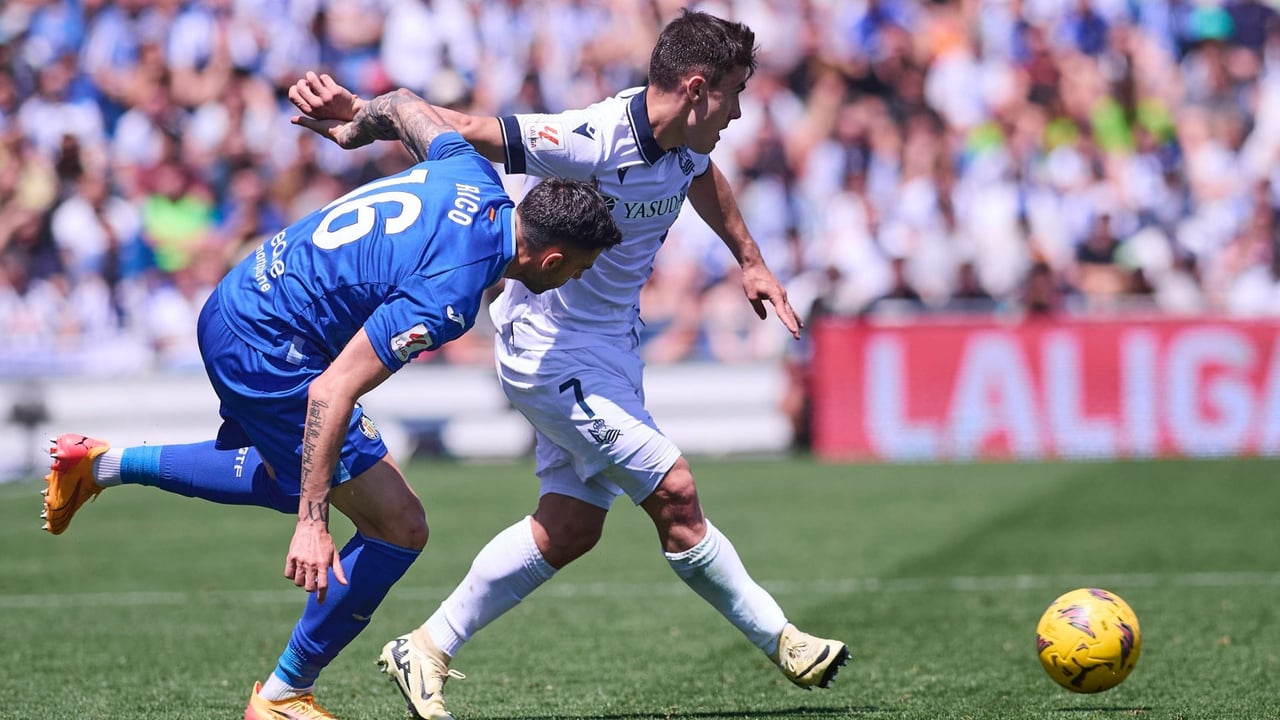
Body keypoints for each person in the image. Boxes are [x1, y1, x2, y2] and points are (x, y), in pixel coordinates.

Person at [290, 11, 850, 720]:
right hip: (549, 349)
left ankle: (426, 646)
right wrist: (360, 119)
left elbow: (701, 178)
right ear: (699, 88)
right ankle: (784, 640)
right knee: (674, 493)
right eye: (736, 95)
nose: (740, 113)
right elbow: (466, 129)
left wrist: (751, 260)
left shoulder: (686, 141)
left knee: (571, 527)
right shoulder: (593, 137)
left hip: (611, 348)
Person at [39, 88, 621, 720]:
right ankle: (283, 696)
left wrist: (355, 120)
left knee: (304, 473)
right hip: (269, 346)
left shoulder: (470, 173)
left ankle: (98, 464)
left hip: (241, 297)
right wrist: (313, 524)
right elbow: (332, 389)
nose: (575, 282)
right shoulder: (452, 292)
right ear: (552, 255)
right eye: (578, 270)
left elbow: (401, 105)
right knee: (397, 524)